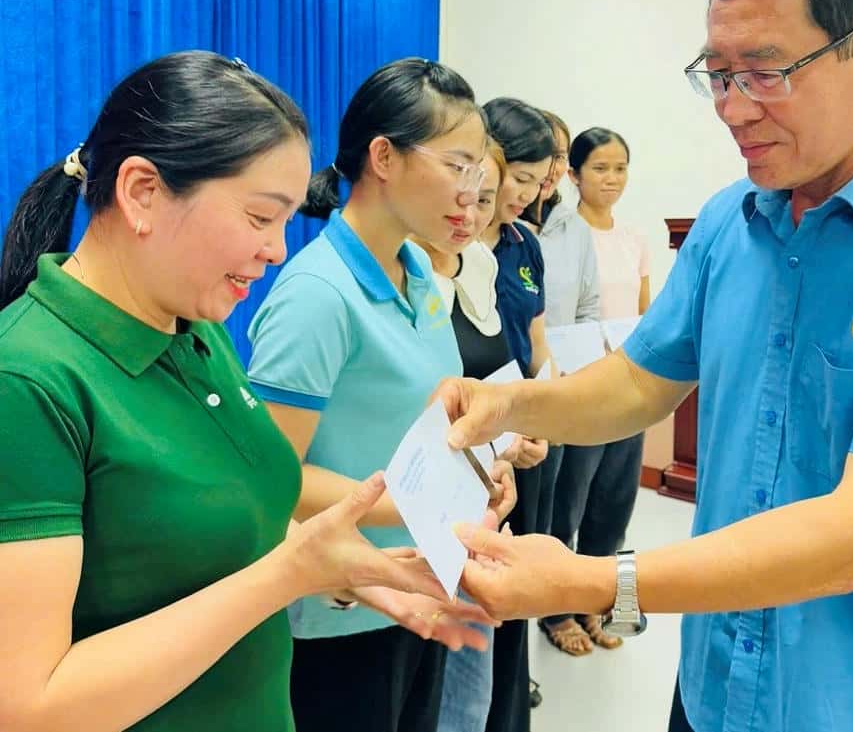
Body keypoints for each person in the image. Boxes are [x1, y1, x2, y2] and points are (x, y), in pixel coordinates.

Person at [441, 0, 853, 732]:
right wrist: (511, 404)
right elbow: (640, 380)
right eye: (718, 74)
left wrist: (592, 580)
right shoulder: (731, 221)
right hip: (717, 686)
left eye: (766, 71)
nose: (732, 109)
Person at [0, 51, 476, 732]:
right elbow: (28, 703)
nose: (279, 249)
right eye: (260, 218)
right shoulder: (27, 381)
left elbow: (217, 526)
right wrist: (287, 573)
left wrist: (341, 566)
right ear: (142, 192)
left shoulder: (195, 327)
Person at [246, 58, 511, 732]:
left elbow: (424, 417)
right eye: (457, 165)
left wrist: (481, 475)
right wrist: (426, 506)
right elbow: (270, 478)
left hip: (418, 582)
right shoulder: (318, 294)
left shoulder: (419, 268)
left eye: (478, 172)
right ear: (383, 156)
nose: (471, 192)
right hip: (342, 609)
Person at [413, 141, 516, 732]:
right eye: (462, 195)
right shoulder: (400, 276)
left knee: (467, 698)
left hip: (477, 499)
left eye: (485, 201)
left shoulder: (480, 263)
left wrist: (512, 437)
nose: (471, 215)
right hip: (414, 509)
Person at [538, 126, 649, 656]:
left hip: (629, 388)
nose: (612, 178)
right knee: (571, 500)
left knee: (615, 500)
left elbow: (647, 318)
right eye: (600, 168)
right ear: (574, 174)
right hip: (582, 387)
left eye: (621, 167)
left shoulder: (634, 240)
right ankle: (556, 607)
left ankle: (598, 599)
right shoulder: (559, 236)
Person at [477, 97, 556, 731]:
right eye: (520, 179)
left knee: (518, 583)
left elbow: (539, 341)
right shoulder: (439, 244)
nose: (528, 195)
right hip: (472, 444)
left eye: (539, 182)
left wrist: (543, 410)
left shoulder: (525, 244)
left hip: (520, 437)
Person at [520, 110, 601, 556]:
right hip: (509, 393)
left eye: (560, 157)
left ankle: (556, 605)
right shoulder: (492, 229)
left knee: (555, 507)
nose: (551, 168)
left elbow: (589, 308)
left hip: (562, 386)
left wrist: (575, 373)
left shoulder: (574, 227)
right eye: (544, 154)